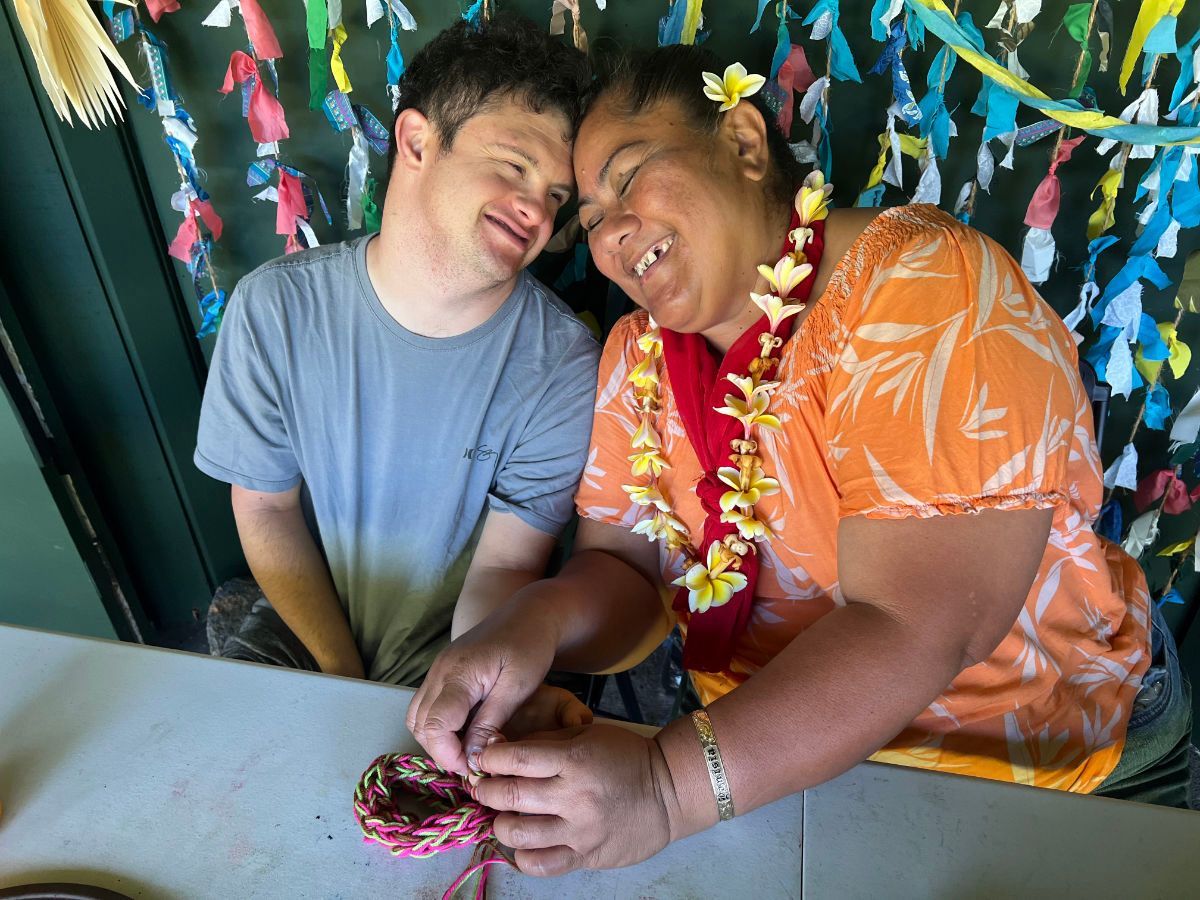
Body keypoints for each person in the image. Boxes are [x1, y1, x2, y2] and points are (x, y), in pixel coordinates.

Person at [407, 46, 1195, 876]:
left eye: (630, 176)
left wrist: (665, 788)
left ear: (745, 142)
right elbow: (629, 577)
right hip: (754, 767)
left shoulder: (922, 287)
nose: (611, 234)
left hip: (1032, 770)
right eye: (592, 218)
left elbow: (916, 625)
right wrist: (531, 628)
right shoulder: (635, 357)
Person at [193, 17, 600, 701]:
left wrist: (457, 696)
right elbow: (265, 509)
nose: (536, 208)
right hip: (308, 626)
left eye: (557, 196)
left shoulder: (562, 366)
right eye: (513, 165)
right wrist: (340, 674)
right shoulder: (274, 308)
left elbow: (507, 566)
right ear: (416, 141)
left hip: (476, 651)